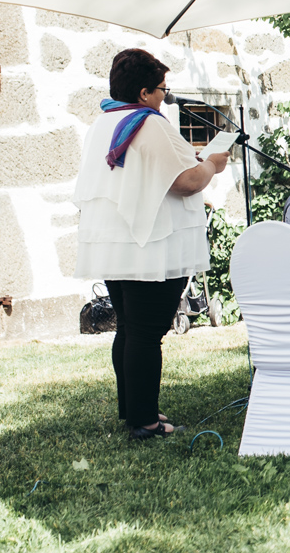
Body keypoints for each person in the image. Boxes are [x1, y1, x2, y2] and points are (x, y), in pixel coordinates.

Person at [73, 49, 229, 440]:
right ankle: (144, 422)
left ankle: (135, 409)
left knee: (128, 329)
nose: (165, 96)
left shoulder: (104, 121)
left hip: (117, 243)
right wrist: (211, 163)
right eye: (162, 89)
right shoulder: (149, 123)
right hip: (149, 245)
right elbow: (187, 182)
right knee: (145, 333)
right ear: (144, 93)